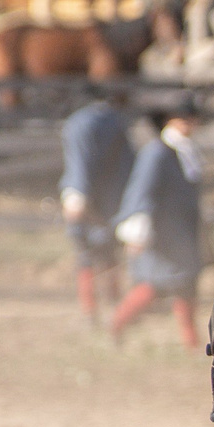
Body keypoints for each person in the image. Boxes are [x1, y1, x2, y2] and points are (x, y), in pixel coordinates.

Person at [112, 102, 205, 349]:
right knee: (153, 286)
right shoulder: (157, 152)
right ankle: (117, 325)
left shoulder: (187, 151)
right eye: (181, 118)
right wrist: (137, 229)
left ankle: (191, 342)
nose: (187, 124)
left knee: (186, 286)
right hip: (162, 234)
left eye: (190, 118)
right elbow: (142, 191)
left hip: (182, 233)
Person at [60, 94, 134, 324]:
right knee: (109, 253)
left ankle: (91, 310)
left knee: (86, 255)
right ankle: (114, 305)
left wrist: (76, 192)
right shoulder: (118, 121)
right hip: (114, 199)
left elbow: (79, 162)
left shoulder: (78, 123)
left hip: (88, 198)